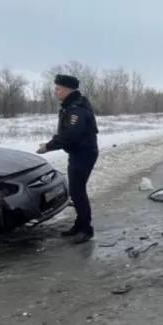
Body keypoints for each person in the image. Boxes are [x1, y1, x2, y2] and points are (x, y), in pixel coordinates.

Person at [37, 74, 99, 244]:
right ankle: (79, 225)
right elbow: (67, 133)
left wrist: (48, 146)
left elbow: (71, 135)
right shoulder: (72, 105)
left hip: (84, 153)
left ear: (67, 89)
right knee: (76, 191)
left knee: (77, 192)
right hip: (79, 152)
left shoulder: (76, 108)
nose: (55, 92)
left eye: (58, 89)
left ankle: (85, 230)